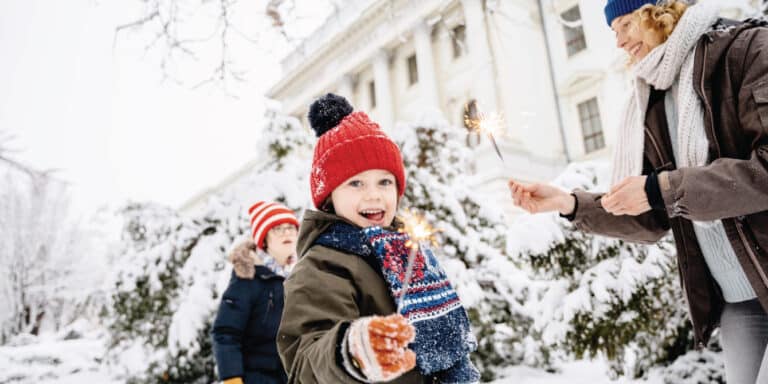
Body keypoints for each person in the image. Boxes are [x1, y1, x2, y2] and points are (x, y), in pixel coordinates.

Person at [510, 1, 768, 383]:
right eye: (613, 31)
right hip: (737, 299)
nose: (619, 42)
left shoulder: (746, 50)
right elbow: (654, 214)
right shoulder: (654, 99)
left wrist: (661, 189)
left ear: (661, 13)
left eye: (626, 24)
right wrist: (569, 203)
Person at [277, 93, 480, 383]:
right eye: (356, 183)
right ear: (329, 197)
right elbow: (305, 361)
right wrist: (350, 353)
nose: (374, 194)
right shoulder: (320, 267)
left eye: (384, 182)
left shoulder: (407, 254)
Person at [211, 201, 300, 384]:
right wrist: (232, 379)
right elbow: (226, 332)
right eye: (277, 228)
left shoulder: (302, 276)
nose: (287, 232)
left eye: (291, 227)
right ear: (264, 240)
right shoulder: (248, 279)